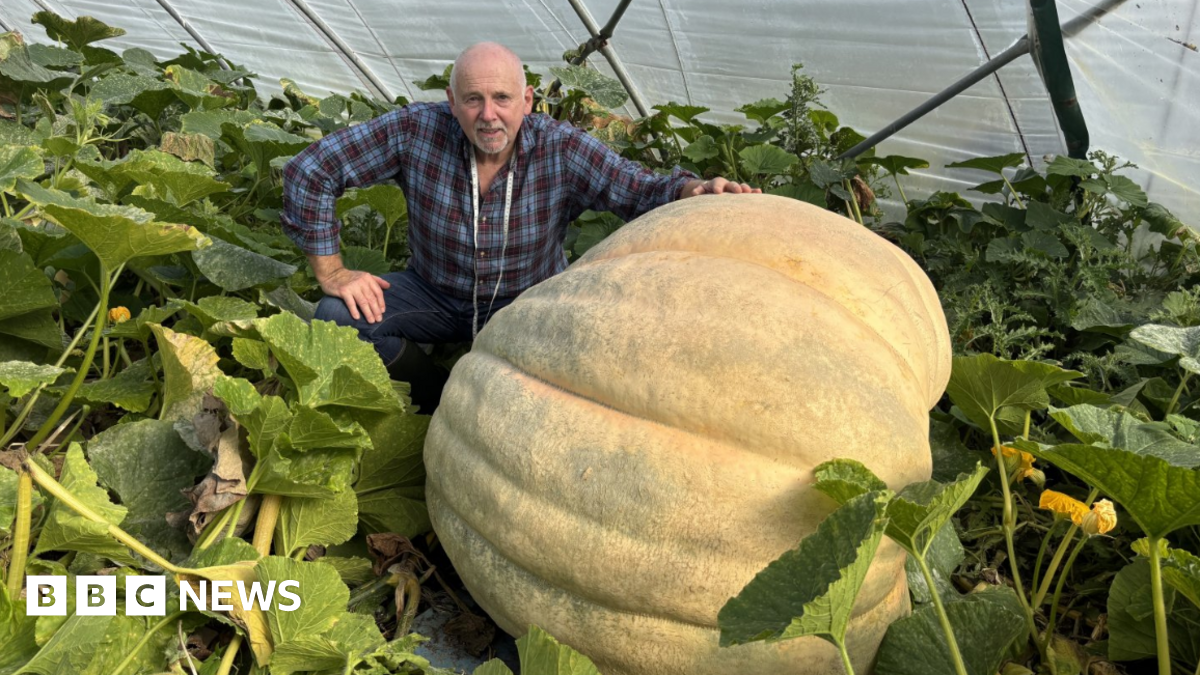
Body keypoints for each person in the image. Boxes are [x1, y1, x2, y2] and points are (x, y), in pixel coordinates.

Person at [281, 42, 760, 412]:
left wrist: (692, 190)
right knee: (338, 320)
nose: (488, 115)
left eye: (502, 98)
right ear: (451, 102)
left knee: (590, 376)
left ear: (527, 100)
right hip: (435, 293)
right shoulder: (415, 131)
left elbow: (638, 190)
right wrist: (334, 272)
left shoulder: (561, 148)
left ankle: (503, 400)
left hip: (529, 306)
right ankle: (440, 400)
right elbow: (312, 170)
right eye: (473, 100)